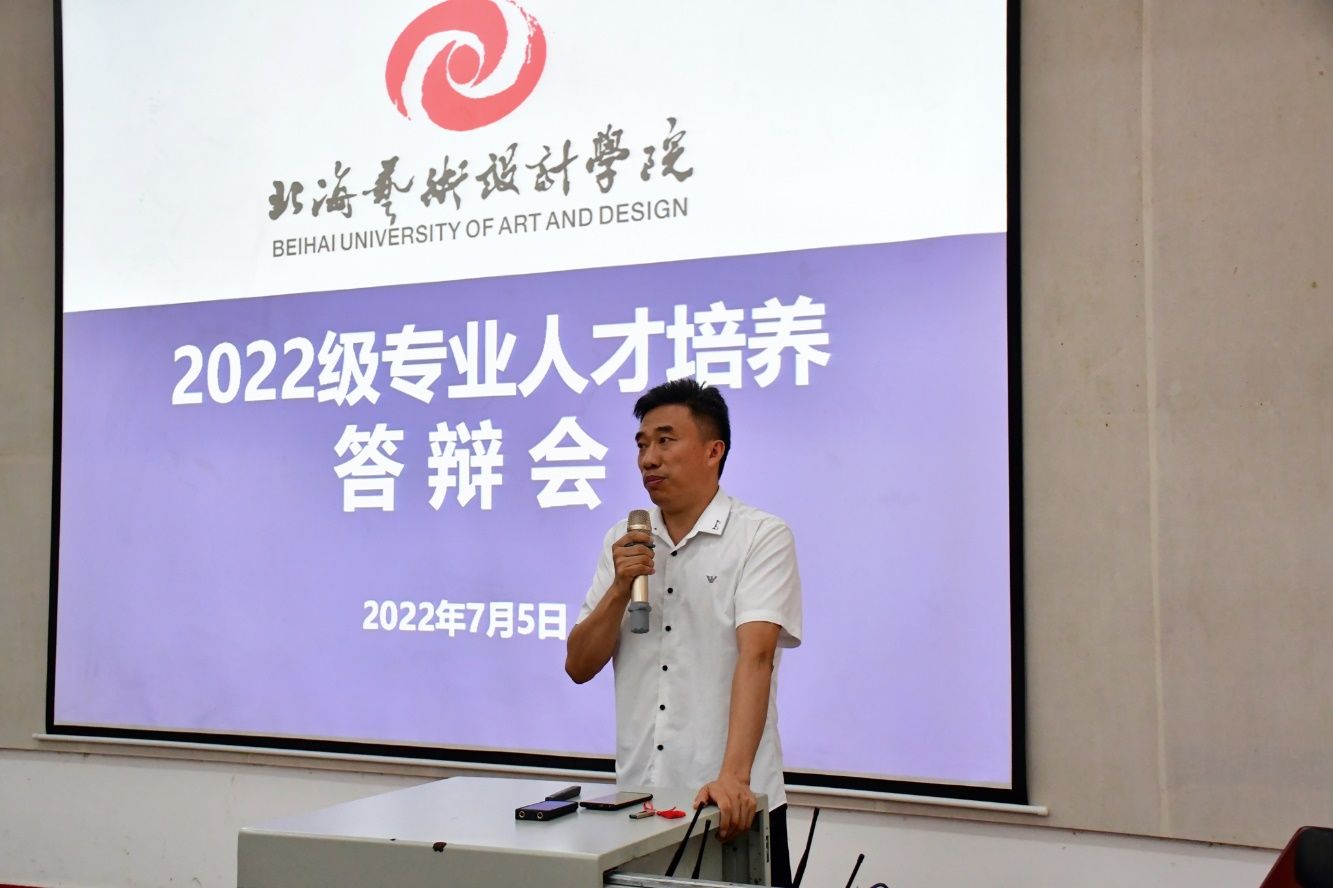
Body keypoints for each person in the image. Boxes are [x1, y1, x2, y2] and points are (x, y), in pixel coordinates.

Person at [565, 378, 803, 887]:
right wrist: (620, 588)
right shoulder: (624, 541)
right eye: (641, 445)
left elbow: (757, 658)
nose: (648, 459)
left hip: (731, 805)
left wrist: (733, 778)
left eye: (665, 441)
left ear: (714, 451)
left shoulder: (759, 536)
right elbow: (579, 666)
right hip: (640, 808)